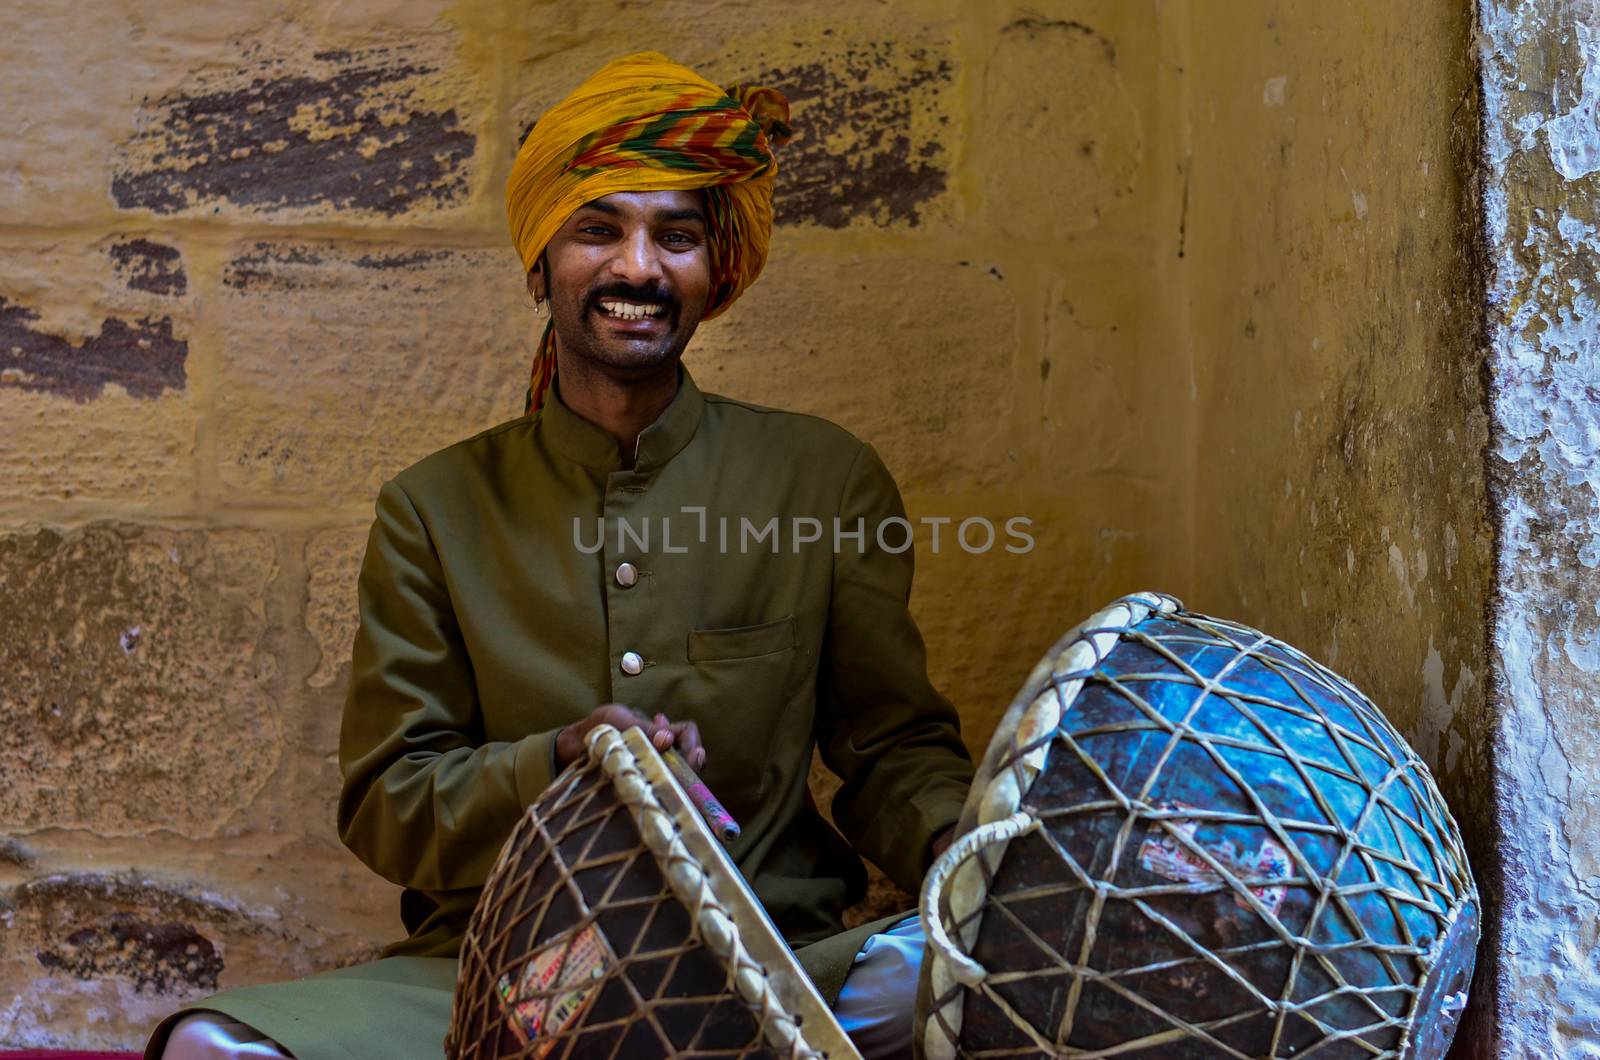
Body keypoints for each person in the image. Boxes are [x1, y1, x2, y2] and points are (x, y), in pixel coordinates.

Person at [145, 51, 973, 1060]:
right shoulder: (436, 509)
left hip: (773, 952)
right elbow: (389, 804)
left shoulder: (821, 479)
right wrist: (558, 762)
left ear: (716, 272)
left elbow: (892, 748)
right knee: (212, 1052)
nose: (637, 267)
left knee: (951, 974)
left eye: (675, 236)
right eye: (598, 229)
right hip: (517, 968)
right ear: (541, 261)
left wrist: (956, 847)